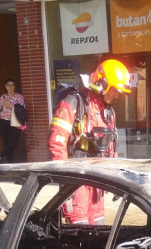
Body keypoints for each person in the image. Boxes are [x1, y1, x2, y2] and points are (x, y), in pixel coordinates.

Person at [48, 59, 130, 225]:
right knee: (80, 234)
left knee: (98, 234)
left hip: (97, 184)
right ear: (102, 82)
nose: (117, 95)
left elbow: (111, 147)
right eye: (115, 89)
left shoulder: (108, 111)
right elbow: (57, 144)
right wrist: (67, 181)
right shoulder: (73, 103)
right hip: (77, 183)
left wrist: (116, 179)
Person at [0, 79, 27, 164]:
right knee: (6, 144)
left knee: (13, 144)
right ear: (6, 86)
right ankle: (10, 164)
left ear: (14, 87)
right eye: (8, 85)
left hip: (15, 122)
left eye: (12, 85)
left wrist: (10, 105)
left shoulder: (19, 97)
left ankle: (0, 155)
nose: (10, 87)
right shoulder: (3, 97)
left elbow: (21, 109)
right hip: (4, 122)